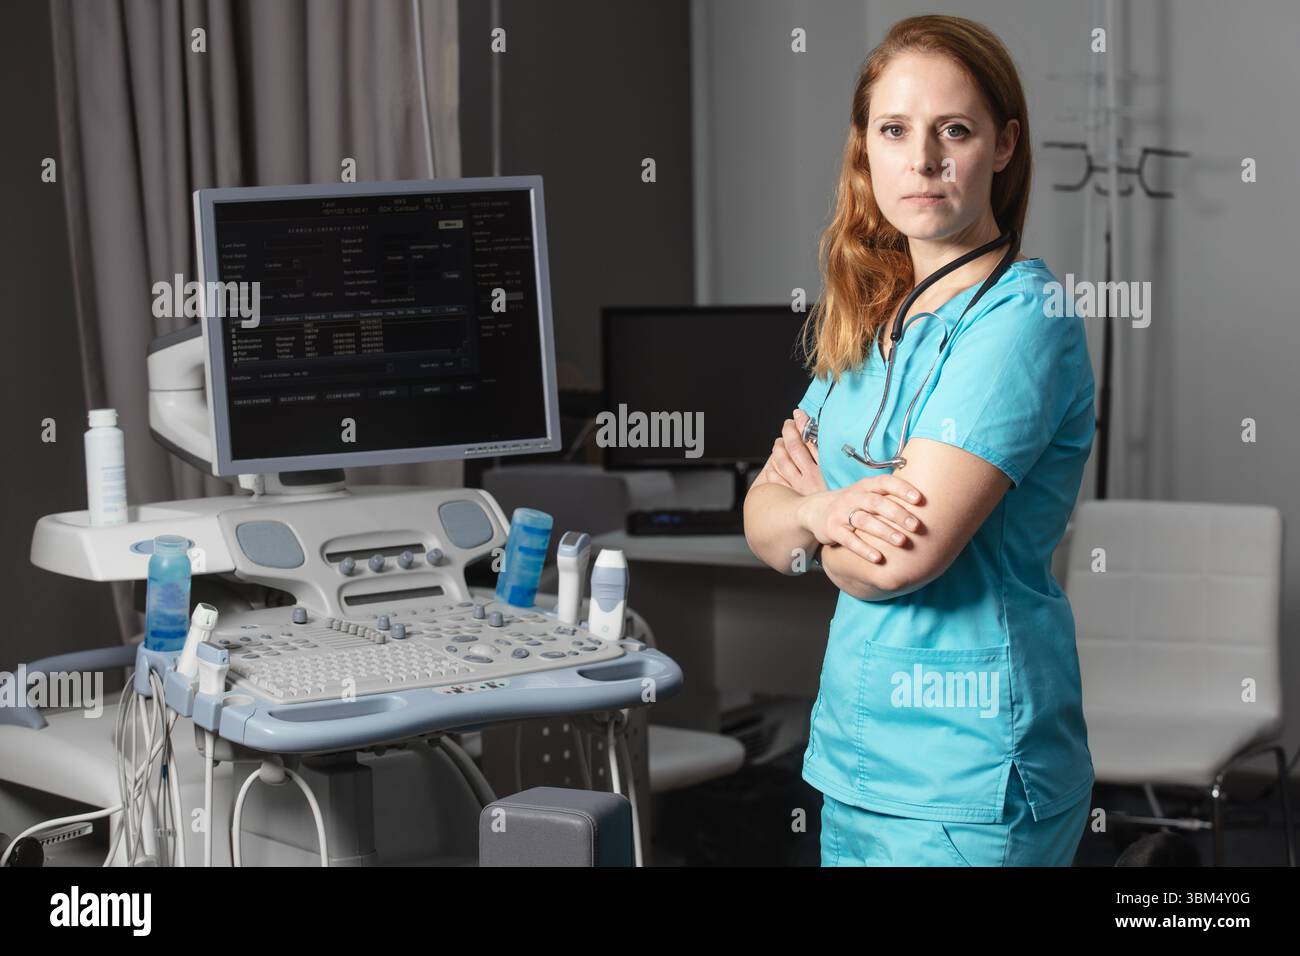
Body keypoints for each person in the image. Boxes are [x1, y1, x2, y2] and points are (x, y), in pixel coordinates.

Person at [743, 14, 1095, 866]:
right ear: (865, 149)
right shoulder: (871, 319)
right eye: (894, 130)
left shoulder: (1019, 322)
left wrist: (809, 520)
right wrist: (833, 510)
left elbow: (899, 561)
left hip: (970, 775)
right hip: (856, 763)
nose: (924, 158)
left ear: (1003, 146)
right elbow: (758, 513)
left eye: (956, 130)